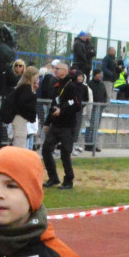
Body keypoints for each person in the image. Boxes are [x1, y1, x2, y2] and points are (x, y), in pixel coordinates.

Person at [41, 60, 81, 190]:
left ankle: (68, 180)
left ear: (65, 70)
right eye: (54, 68)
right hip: (55, 125)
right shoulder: (56, 86)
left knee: (65, 153)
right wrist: (47, 123)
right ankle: (53, 177)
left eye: (58, 68)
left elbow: (76, 105)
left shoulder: (72, 86)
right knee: (46, 150)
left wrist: (62, 111)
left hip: (67, 126)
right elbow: (53, 106)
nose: (55, 70)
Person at [7, 66, 39, 148]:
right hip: (20, 118)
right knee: (20, 143)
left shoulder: (21, 88)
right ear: (32, 76)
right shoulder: (27, 89)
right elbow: (24, 104)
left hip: (19, 118)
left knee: (19, 141)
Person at [85, 68, 107, 152]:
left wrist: (103, 105)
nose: (100, 75)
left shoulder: (102, 84)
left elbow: (105, 95)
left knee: (96, 127)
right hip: (92, 108)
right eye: (98, 74)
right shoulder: (90, 84)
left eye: (100, 74)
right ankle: (87, 144)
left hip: (99, 108)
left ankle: (93, 143)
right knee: (89, 126)